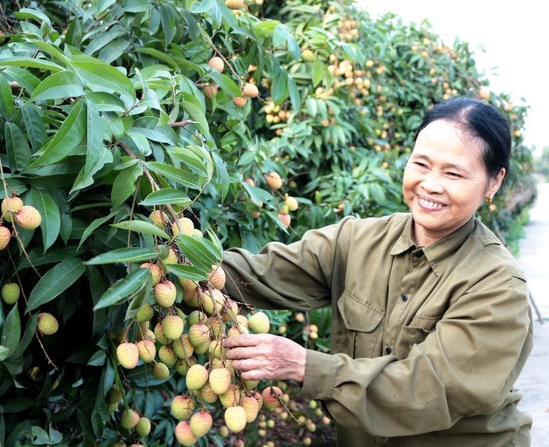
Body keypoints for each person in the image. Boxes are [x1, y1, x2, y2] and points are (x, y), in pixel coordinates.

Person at [221, 97, 534, 446]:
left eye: (453, 173)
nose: (430, 184)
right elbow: (258, 274)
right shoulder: (356, 240)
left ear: (493, 183)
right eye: (421, 164)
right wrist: (177, 259)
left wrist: (305, 366)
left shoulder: (499, 286)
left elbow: (428, 389)